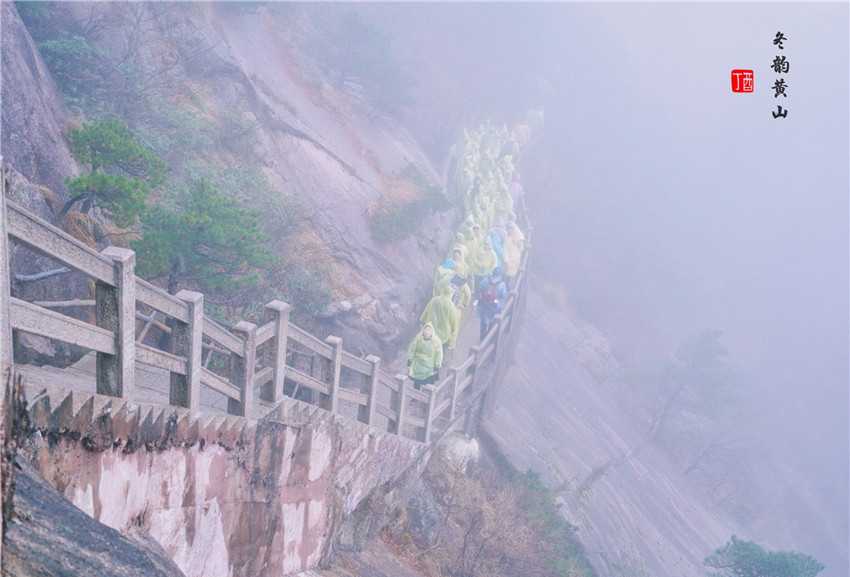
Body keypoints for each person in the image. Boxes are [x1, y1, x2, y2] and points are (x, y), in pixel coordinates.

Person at [420, 282, 460, 351]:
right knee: (438, 354)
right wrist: (452, 343)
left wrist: (422, 322)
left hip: (430, 332)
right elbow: (454, 327)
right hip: (442, 337)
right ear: (451, 294)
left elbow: (426, 312)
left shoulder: (434, 300)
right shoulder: (452, 307)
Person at [406, 323, 443, 390]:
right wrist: (409, 361)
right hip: (418, 367)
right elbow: (412, 350)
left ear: (432, 332)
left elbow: (439, 354)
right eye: (426, 330)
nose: (427, 332)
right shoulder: (418, 338)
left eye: (429, 330)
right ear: (423, 331)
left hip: (429, 368)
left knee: (428, 384)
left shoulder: (436, 342)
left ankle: (427, 397)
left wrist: (437, 366)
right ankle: (416, 396)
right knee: (417, 383)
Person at [476, 269, 508, 340]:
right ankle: (488, 338)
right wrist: (498, 303)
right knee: (492, 321)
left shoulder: (485, 280)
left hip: (484, 305)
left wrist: (481, 297)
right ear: (500, 276)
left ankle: (482, 337)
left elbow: (480, 289)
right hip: (494, 307)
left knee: (483, 322)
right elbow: (504, 297)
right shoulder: (502, 285)